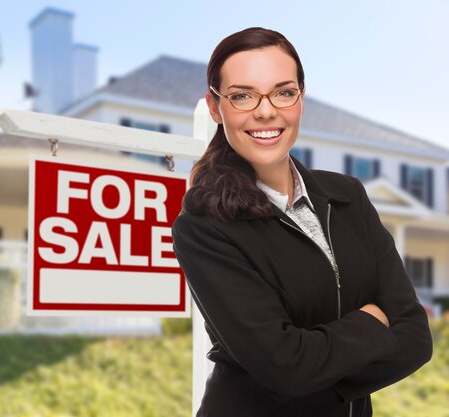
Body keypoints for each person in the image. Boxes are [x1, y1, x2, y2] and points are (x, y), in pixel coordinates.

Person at [171, 27, 433, 417]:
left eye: (283, 91)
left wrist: (311, 373)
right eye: (242, 95)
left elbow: (414, 337)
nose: (265, 110)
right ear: (215, 107)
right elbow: (284, 367)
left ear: (301, 99)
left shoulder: (348, 197)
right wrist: (372, 324)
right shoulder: (204, 228)